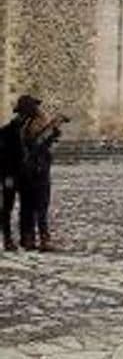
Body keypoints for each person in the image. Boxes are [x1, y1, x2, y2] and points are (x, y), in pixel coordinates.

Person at [17, 95, 64, 252]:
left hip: (29, 170)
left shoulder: (24, 126)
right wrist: (52, 130)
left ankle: (29, 238)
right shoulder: (29, 127)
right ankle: (42, 239)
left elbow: (44, 140)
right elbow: (39, 144)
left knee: (30, 207)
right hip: (37, 169)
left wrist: (53, 130)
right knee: (40, 206)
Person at [0, 101, 25, 251]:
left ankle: (25, 237)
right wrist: (6, 175)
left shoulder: (29, 130)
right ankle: (7, 237)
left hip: (25, 175)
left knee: (27, 207)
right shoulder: (7, 131)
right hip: (10, 175)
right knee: (7, 207)